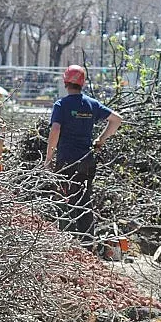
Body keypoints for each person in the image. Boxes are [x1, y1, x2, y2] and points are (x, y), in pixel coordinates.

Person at [44, 64, 123, 242]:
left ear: (65, 82)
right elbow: (117, 120)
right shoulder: (91, 104)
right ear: (83, 83)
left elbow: (55, 130)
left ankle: (67, 244)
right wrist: (101, 140)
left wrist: (49, 159)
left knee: (66, 201)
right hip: (87, 162)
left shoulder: (61, 105)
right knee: (84, 201)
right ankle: (87, 245)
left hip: (66, 162)